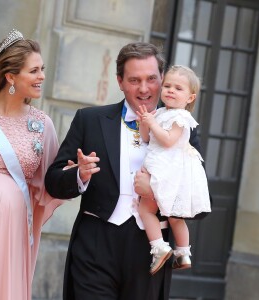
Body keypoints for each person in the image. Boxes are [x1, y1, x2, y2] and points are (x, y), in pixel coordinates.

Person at [44, 43, 201, 300]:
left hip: (151, 251)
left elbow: (203, 198)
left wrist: (159, 190)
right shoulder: (89, 119)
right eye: (134, 80)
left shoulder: (184, 129)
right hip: (95, 244)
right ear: (119, 81)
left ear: (162, 79)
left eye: (151, 79)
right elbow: (53, 180)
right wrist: (79, 175)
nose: (144, 88)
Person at [0, 29, 63, 300]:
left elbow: (51, 183)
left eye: (42, 69)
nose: (42, 76)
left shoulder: (42, 124)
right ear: (10, 76)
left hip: (12, 232)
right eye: (34, 71)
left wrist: (77, 174)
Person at [136, 65, 211, 275]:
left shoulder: (181, 117)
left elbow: (168, 141)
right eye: (167, 85)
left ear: (190, 97)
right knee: (174, 216)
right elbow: (146, 138)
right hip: (163, 165)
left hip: (168, 170)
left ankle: (159, 247)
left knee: (146, 210)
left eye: (178, 88)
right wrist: (146, 122)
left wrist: (152, 123)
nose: (170, 90)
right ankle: (183, 253)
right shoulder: (160, 113)